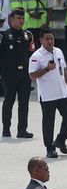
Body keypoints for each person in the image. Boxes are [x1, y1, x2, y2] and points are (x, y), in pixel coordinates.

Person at [30, 30, 67, 159]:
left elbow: (64, 69)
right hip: (48, 95)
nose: (50, 41)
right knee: (49, 122)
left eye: (51, 39)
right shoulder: (36, 56)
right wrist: (46, 69)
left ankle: (60, 140)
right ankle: (50, 148)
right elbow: (32, 75)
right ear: (41, 40)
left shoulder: (58, 51)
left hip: (62, 92)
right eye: (47, 39)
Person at [1, 10, 35, 138]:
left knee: (24, 103)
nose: (21, 21)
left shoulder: (28, 35)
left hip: (25, 75)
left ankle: (22, 130)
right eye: (18, 18)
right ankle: (6, 129)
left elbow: (33, 54)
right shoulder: (4, 36)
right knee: (9, 101)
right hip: (9, 74)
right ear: (11, 19)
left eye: (23, 18)